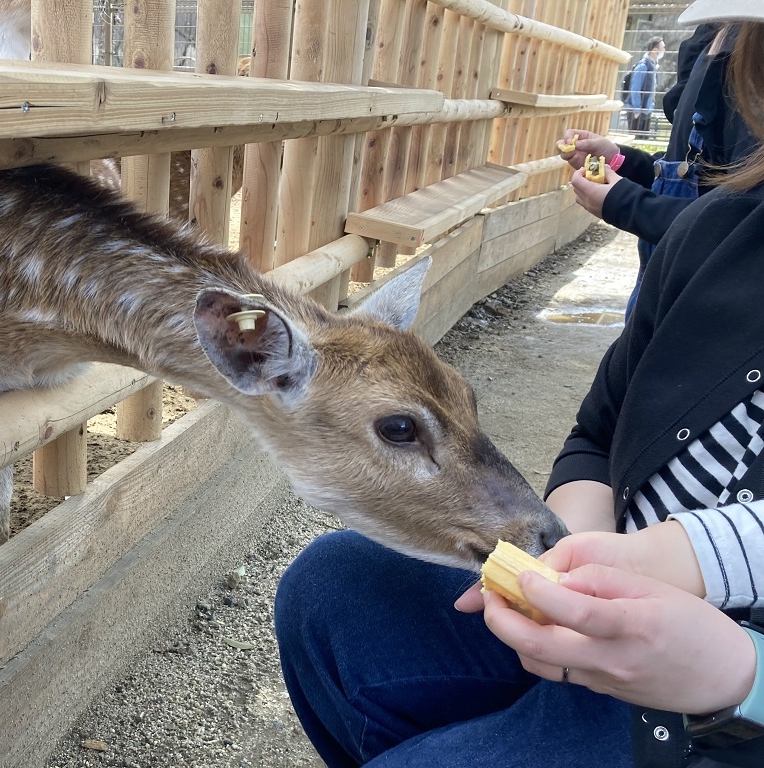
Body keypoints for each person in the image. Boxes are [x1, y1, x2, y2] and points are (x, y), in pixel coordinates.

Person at [273, 3, 764, 767]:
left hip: (728, 702)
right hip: (613, 621)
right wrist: (576, 548)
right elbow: (600, 433)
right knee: (333, 583)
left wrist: (744, 677)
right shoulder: (719, 231)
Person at [561, 22, 756, 317]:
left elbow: (740, 232)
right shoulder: (715, 35)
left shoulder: (751, 58)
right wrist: (619, 162)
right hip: (664, 286)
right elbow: (689, 169)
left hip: (704, 308)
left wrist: (626, 204)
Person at [627, 37, 665, 135]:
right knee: (635, 140)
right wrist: (637, 110)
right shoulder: (643, 66)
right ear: (655, 50)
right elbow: (635, 89)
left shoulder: (653, 66)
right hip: (638, 112)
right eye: (663, 47)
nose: (665, 50)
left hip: (646, 111)